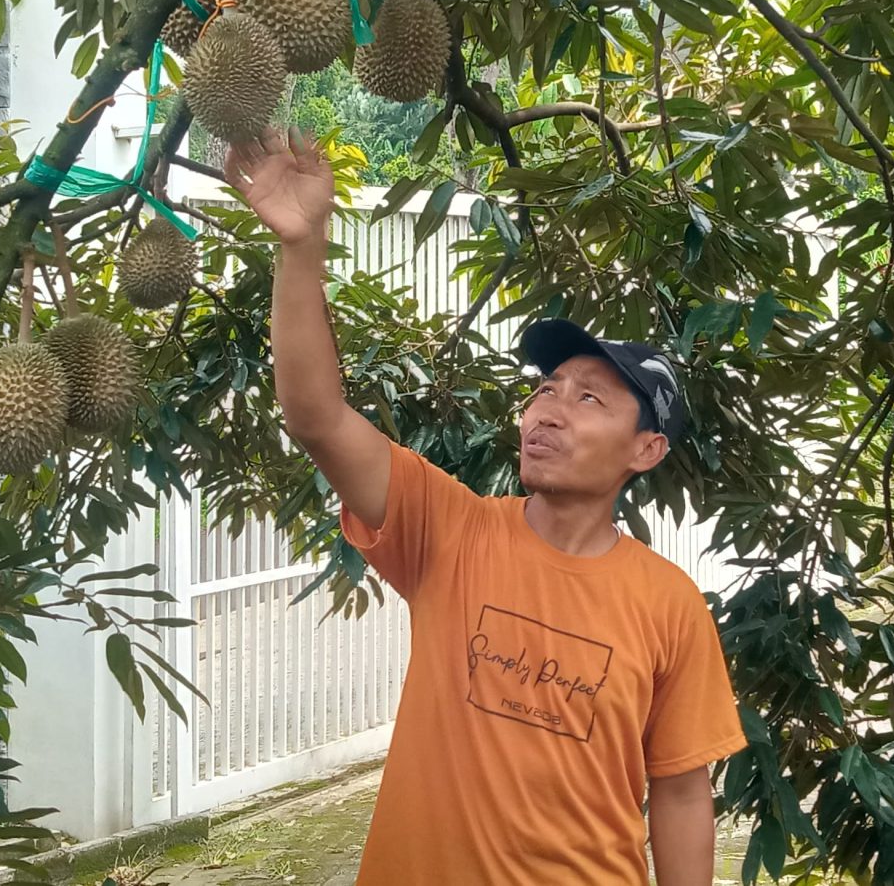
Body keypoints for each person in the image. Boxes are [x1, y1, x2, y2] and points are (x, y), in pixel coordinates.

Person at [224, 128, 746, 884]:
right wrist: (301, 247)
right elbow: (316, 416)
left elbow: (681, 790)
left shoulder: (669, 605)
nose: (548, 410)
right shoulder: (450, 529)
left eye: (589, 397)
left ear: (646, 450)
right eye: (544, 389)